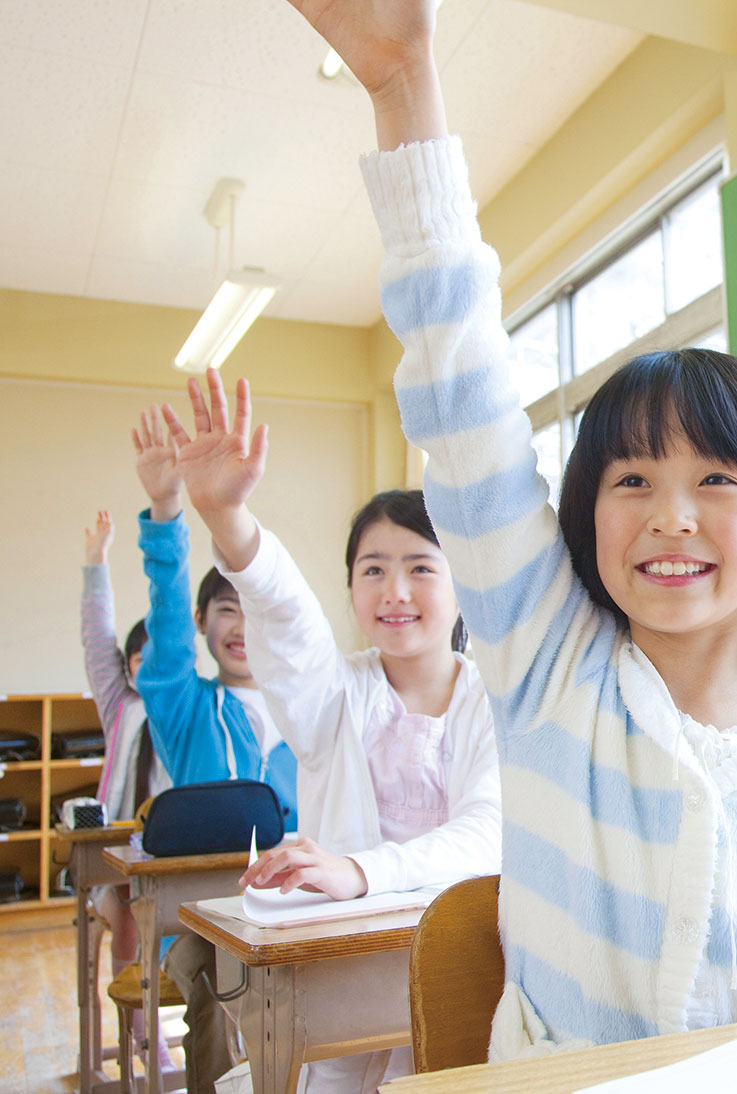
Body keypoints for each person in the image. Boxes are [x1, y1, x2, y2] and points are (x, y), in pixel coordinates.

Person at [279, 0, 737, 1063]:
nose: (669, 513)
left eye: (717, 477)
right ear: (584, 517)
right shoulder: (546, 668)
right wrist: (403, 84)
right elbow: (463, 394)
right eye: (630, 477)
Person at [159, 370, 502, 1092]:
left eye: (419, 567)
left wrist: (359, 873)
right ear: (350, 589)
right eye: (372, 570)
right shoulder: (333, 696)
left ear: (462, 584)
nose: (395, 591)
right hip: (339, 971)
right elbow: (285, 615)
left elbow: (487, 833)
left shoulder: (490, 701)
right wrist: (229, 520)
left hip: (465, 965)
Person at [130, 406, 299, 1094]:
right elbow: (164, 626)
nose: (240, 625)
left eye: (249, 608)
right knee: (217, 970)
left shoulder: (307, 708)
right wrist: (167, 509)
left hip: (286, 916)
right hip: (198, 925)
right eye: (225, 609)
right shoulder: (183, 703)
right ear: (204, 623)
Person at [81, 509, 173, 1074]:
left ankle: (170, 1019)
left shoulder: (179, 713)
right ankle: (145, 1031)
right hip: (117, 860)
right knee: (132, 917)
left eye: (156, 659)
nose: (146, 667)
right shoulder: (122, 707)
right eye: (138, 658)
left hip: (166, 859)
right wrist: (95, 562)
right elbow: (97, 638)